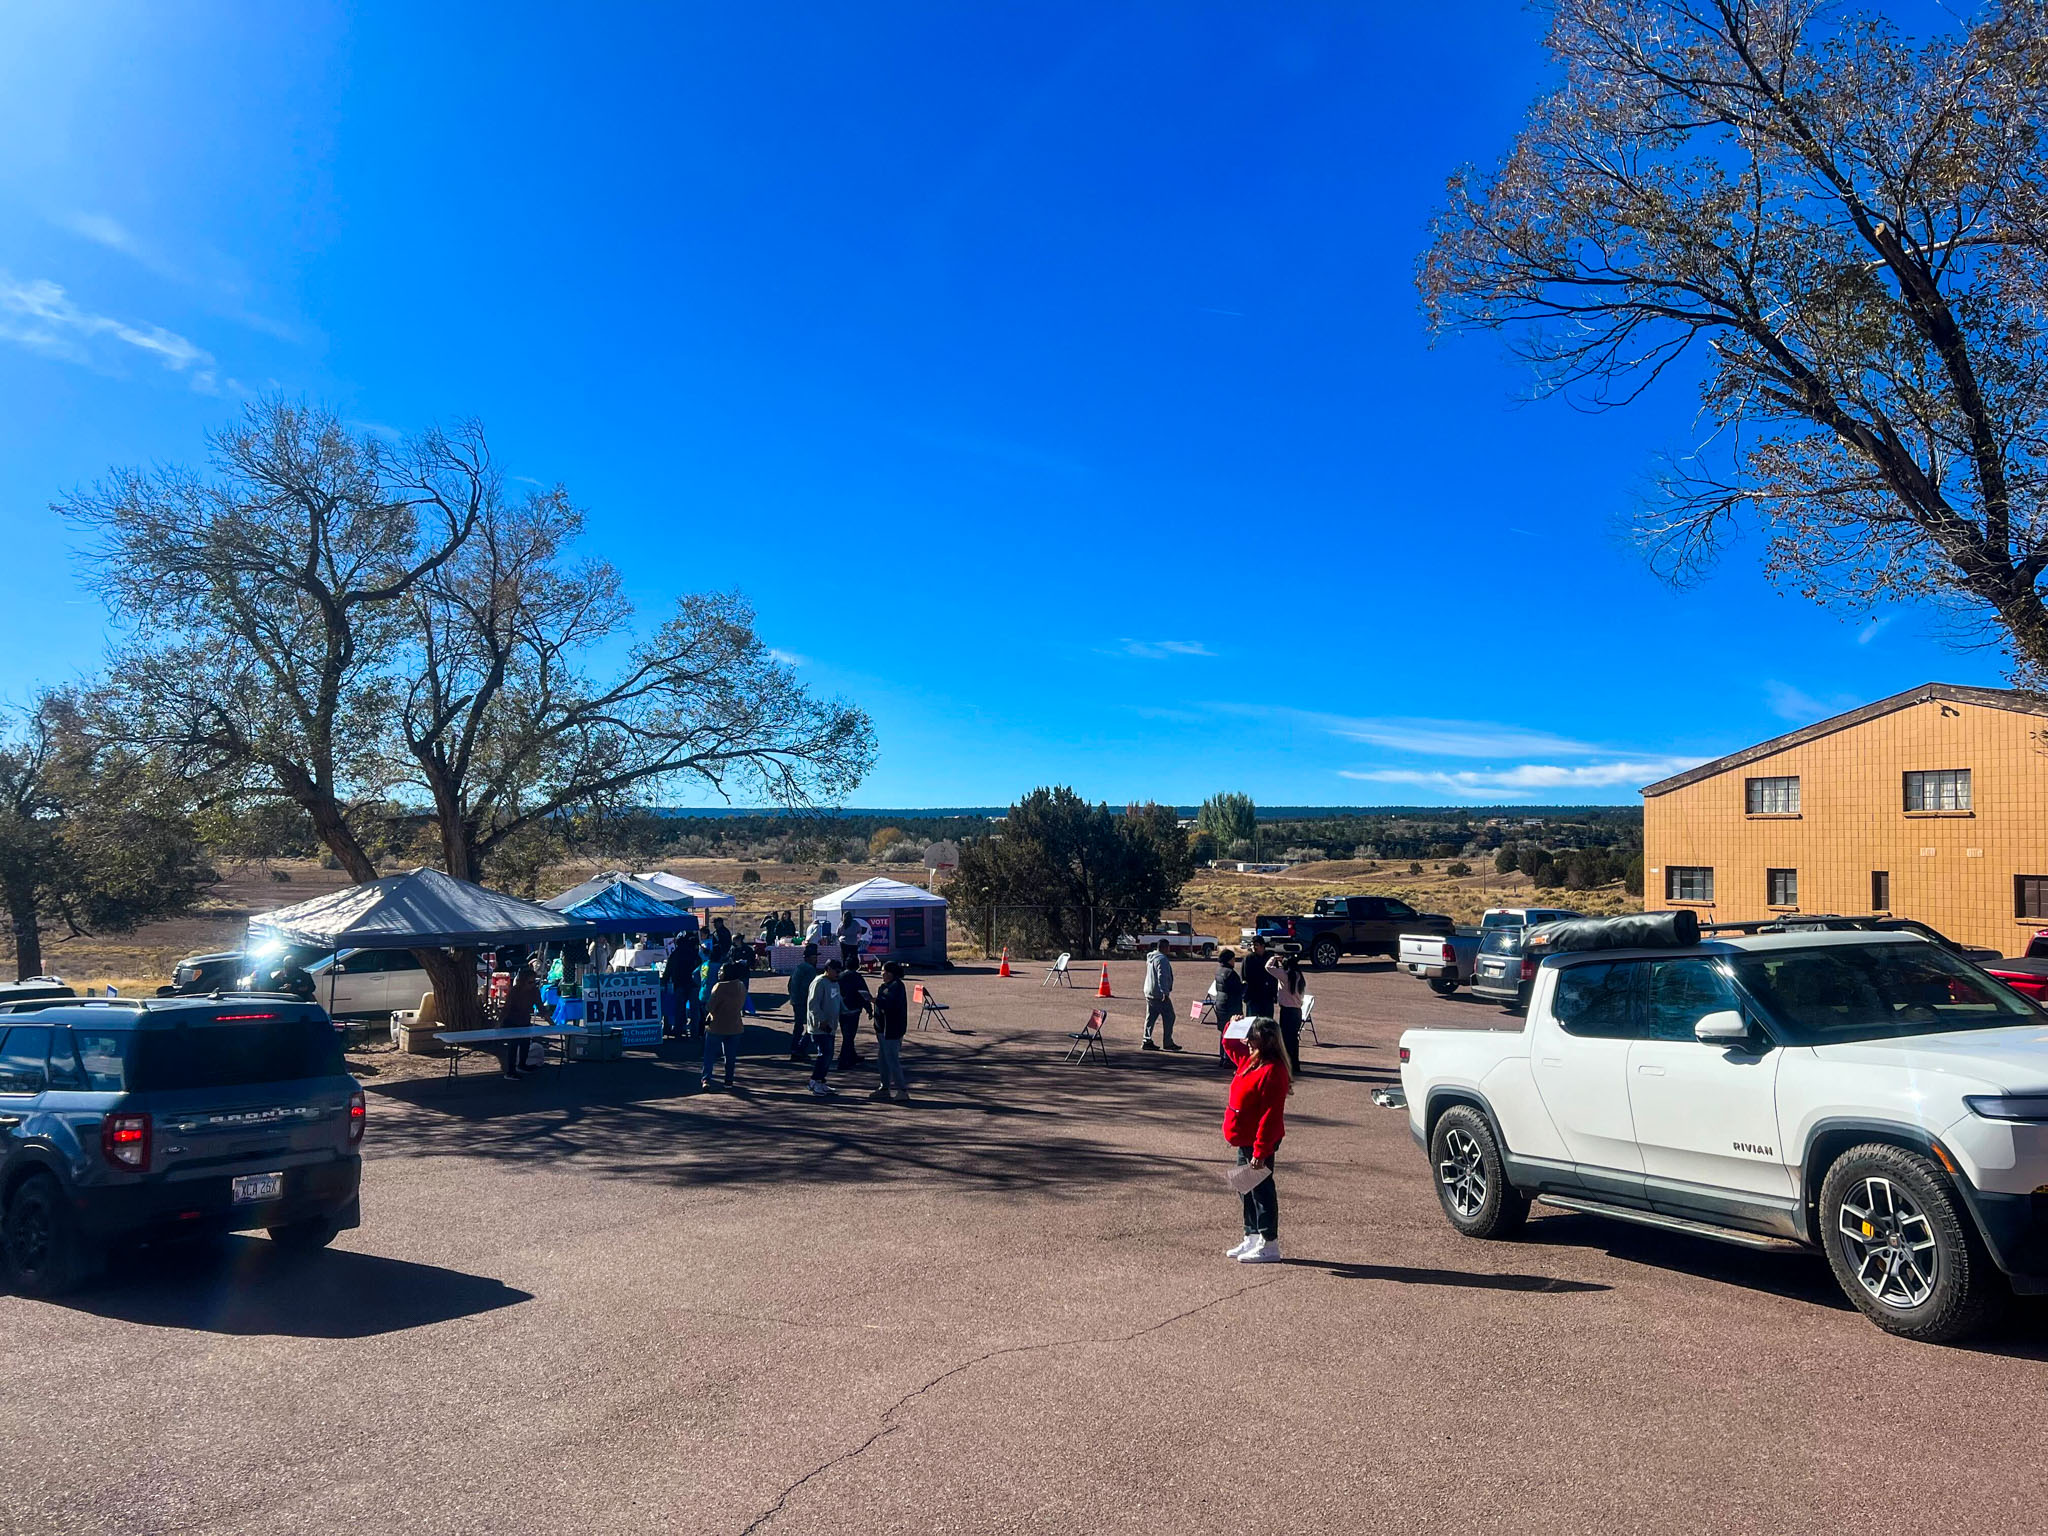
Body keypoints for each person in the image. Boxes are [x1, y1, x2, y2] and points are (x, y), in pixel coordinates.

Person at [1221, 1015, 1290, 1263]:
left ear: (1267, 1041)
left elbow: (1270, 1117)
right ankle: (1251, 1235)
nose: (1248, 1041)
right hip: (1245, 1138)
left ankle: (1269, 1242)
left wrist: (1261, 1152)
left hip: (1259, 1140)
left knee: (1262, 1191)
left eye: (1253, 1037)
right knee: (1245, 1189)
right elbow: (1229, 1045)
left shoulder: (1273, 1071)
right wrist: (1233, 1024)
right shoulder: (1251, 1061)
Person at [703, 959, 749, 1091]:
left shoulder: (719, 987)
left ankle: (706, 1079)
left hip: (716, 1026)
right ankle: (728, 1080)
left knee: (709, 1055)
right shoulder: (741, 986)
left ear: (727, 973)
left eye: (721, 971)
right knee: (730, 1056)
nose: (719, 973)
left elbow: (710, 1007)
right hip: (735, 1026)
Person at [872, 961, 911, 1102]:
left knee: (892, 1060)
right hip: (882, 1029)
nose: (883, 974)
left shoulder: (897, 987)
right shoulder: (884, 986)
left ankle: (902, 1090)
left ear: (892, 973)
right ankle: (884, 1087)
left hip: (892, 1030)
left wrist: (877, 1001)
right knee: (882, 1060)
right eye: (882, 971)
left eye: (886, 971)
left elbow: (891, 1005)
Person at [806, 960, 844, 1096]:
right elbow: (813, 1005)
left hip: (831, 1025)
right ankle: (814, 1081)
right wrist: (821, 1020)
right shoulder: (819, 982)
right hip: (820, 1027)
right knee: (824, 1054)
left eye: (840, 971)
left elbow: (838, 1000)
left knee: (829, 1055)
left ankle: (821, 1081)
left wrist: (846, 1011)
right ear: (827, 969)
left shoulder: (835, 983)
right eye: (835, 970)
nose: (838, 973)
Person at [1267, 949, 1306, 1074]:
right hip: (1297, 1011)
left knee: (1285, 1038)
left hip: (1287, 1011)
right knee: (1294, 1038)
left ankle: (1287, 1063)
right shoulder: (1299, 976)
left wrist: (1275, 958)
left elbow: (1268, 967)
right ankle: (1295, 1063)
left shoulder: (1285, 975)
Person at [1141, 938, 1179, 1052]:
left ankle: (1146, 1040)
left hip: (1149, 991)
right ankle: (1168, 1042)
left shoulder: (1151, 957)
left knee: (1151, 1017)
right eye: (1168, 947)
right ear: (1164, 947)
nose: (1169, 949)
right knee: (1170, 1017)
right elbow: (1162, 976)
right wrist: (1165, 992)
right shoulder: (1162, 959)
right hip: (1158, 993)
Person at [1208, 949, 1245, 1066]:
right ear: (1230, 959)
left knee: (1224, 1030)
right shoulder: (1231, 973)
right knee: (1232, 1031)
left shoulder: (1219, 971)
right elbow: (1238, 991)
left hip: (1220, 1002)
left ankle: (1223, 1057)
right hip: (1231, 1005)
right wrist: (1245, 985)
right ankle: (1229, 1058)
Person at [836, 963, 873, 1069]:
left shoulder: (840, 976)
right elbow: (863, 993)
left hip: (841, 1009)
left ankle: (851, 1055)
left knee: (846, 1034)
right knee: (849, 1036)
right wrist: (868, 1008)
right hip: (853, 1009)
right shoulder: (857, 977)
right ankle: (843, 1060)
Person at [667, 927, 702, 1039]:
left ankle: (678, 1030)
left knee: (679, 1010)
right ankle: (694, 1032)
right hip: (693, 984)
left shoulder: (675, 954)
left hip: (680, 984)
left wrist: (665, 979)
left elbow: (669, 969)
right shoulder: (694, 954)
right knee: (694, 1011)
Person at [787, 943, 819, 1060]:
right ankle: (800, 1049)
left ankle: (795, 1049)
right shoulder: (809, 969)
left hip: (796, 1000)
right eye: (814, 957)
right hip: (803, 1001)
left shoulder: (799, 967)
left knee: (799, 1026)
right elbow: (808, 988)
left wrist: (792, 996)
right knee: (812, 1026)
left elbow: (789, 984)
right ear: (809, 958)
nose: (816, 959)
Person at [1240, 936, 1278, 1023]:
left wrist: (1274, 994)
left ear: (1262, 945)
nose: (1253, 947)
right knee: (1252, 1023)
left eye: (1256, 945)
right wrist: (1245, 996)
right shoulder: (1248, 959)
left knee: (1267, 1023)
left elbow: (1275, 978)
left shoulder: (1270, 958)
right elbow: (1244, 978)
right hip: (1253, 997)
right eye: (1252, 945)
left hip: (1267, 996)